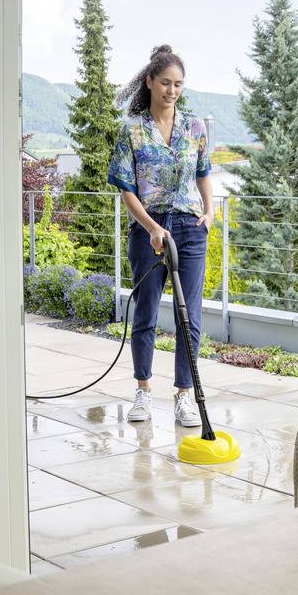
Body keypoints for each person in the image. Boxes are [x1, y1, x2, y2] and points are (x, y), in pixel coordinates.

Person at [108, 45, 214, 426]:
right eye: (166, 83)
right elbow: (126, 188)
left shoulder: (195, 127)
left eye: (178, 84)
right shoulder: (132, 130)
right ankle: (143, 391)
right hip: (147, 228)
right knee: (146, 312)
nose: (172, 90)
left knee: (190, 316)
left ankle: (184, 396)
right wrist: (152, 228)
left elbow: (203, 172)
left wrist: (210, 210)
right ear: (150, 82)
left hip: (189, 229)